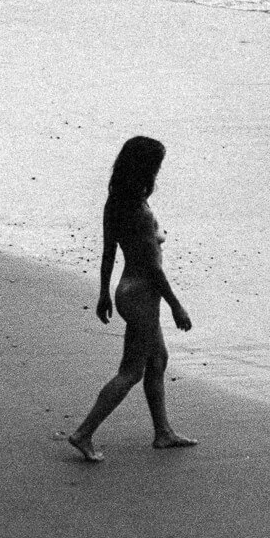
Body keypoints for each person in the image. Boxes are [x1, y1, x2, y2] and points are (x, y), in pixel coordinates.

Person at [69, 136, 197, 463]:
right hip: (142, 293)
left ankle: (163, 432)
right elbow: (152, 268)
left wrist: (103, 293)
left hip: (127, 290)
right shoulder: (138, 212)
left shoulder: (115, 203)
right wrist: (176, 305)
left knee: (157, 360)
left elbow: (109, 252)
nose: (158, 172)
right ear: (146, 169)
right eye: (157, 166)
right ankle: (84, 432)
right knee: (131, 372)